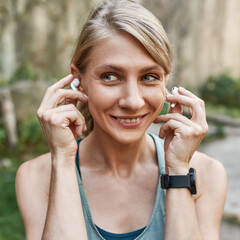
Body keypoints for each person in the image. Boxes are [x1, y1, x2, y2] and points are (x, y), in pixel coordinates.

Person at [15, 0, 227, 239]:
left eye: (149, 77)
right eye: (110, 76)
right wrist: (63, 162)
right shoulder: (37, 177)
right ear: (79, 80)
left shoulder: (206, 173)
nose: (133, 101)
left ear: (165, 81)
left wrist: (178, 171)